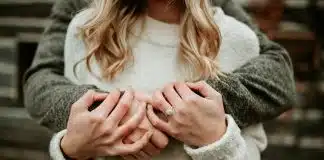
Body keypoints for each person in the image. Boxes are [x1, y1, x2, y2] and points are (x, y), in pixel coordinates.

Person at [23, 0, 296, 159]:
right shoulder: (84, 33)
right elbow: (42, 81)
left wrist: (194, 115)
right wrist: (80, 141)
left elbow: (278, 73)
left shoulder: (235, 39)